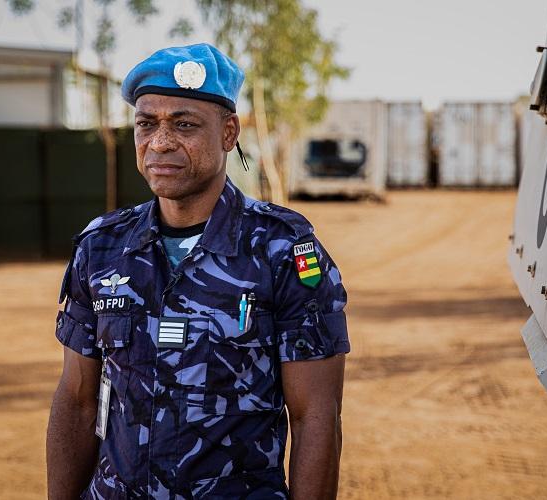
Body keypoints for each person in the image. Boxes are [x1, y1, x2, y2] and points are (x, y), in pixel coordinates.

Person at [46, 43, 350, 499]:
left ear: (229, 132)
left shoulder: (282, 250)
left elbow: (316, 416)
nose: (160, 142)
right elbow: (77, 400)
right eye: (146, 124)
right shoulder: (103, 247)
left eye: (184, 124)